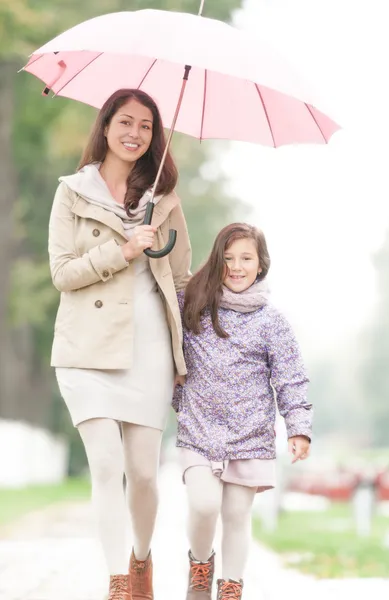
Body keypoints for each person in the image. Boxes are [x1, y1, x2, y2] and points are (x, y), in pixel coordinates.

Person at [48, 88, 191, 600]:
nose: (135, 134)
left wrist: (185, 353)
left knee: (143, 476)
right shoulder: (72, 192)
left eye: (147, 126)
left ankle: (140, 559)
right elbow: (62, 273)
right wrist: (124, 249)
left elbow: (179, 282)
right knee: (106, 466)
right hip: (86, 348)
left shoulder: (166, 199)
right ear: (105, 126)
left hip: (148, 348)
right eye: (125, 122)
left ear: (154, 137)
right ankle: (117, 582)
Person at [173, 223, 312, 600]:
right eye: (229, 258)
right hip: (198, 431)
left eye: (246, 258)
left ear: (260, 264)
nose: (236, 266)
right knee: (203, 506)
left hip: (250, 436)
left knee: (236, 515)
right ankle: (200, 564)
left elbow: (291, 377)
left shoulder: (271, 321)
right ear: (217, 262)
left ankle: (231, 586)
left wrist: (298, 427)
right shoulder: (192, 304)